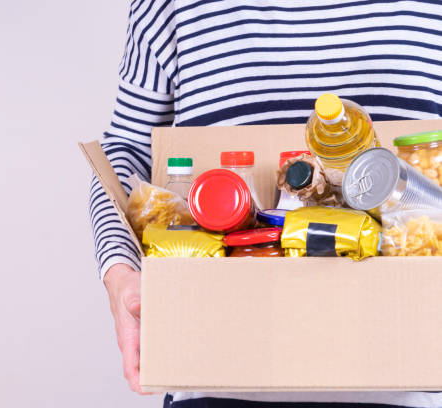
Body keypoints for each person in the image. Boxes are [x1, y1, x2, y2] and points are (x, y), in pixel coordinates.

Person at [89, 1, 442, 407]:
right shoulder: (168, 7)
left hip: (412, 374)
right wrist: (119, 272)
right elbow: (127, 147)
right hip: (213, 374)